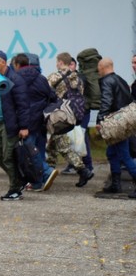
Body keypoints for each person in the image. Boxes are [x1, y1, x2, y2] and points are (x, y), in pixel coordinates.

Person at [0, 50, 29, 200]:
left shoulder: (15, 79)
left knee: (8, 157)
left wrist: (23, 126)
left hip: (10, 125)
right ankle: (18, 180)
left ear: (3, 62)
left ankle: (15, 188)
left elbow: (23, 105)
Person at [12, 53, 59, 193]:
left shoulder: (16, 79)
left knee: (30, 153)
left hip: (27, 122)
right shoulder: (41, 78)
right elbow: (52, 97)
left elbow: (18, 102)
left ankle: (46, 172)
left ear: (17, 65)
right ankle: (37, 183)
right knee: (39, 150)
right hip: (41, 120)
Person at [45, 52, 93, 187]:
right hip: (72, 115)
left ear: (60, 62)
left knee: (62, 144)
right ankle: (49, 172)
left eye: (57, 62)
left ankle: (82, 170)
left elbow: (45, 91)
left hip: (58, 115)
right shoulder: (78, 79)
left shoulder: (55, 76)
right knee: (53, 144)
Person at [96, 57, 136, 198]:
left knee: (124, 156)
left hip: (114, 124)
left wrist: (100, 119)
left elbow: (106, 101)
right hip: (124, 122)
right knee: (112, 153)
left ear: (103, 67)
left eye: (98, 68)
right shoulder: (122, 81)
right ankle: (115, 184)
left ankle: (122, 183)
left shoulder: (107, 81)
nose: (98, 70)